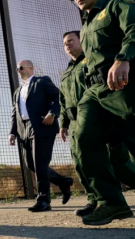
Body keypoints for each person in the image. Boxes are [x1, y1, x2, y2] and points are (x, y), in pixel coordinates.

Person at [59, 31, 135, 217]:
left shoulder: (91, 62)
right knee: (81, 162)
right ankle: (96, 200)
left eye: (71, 41)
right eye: (65, 43)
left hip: (97, 115)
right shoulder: (67, 71)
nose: (67, 45)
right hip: (77, 120)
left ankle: (112, 199)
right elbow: (63, 100)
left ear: (82, 41)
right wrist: (64, 124)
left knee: (117, 160)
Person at [9, 60, 73, 212]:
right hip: (23, 129)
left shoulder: (42, 81)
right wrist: (12, 132)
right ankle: (63, 182)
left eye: (21, 67)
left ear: (31, 68)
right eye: (17, 68)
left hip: (42, 125)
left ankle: (44, 200)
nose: (18, 70)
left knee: (40, 164)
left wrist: (52, 113)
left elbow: (59, 96)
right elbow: (14, 112)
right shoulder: (17, 91)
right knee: (31, 164)